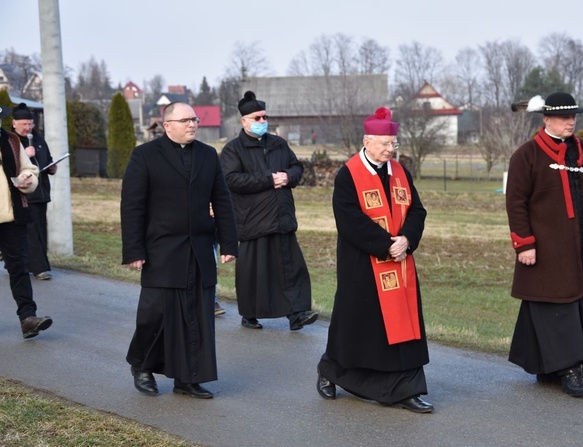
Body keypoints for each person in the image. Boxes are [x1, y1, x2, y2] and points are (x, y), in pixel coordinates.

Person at [316, 107, 432, 414]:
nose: (390, 149)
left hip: (401, 262)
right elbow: (349, 220)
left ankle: (407, 388)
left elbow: (418, 211)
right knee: (356, 328)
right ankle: (331, 371)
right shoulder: (348, 175)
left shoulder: (400, 172)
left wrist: (406, 239)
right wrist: (385, 246)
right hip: (362, 265)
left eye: (393, 143)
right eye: (384, 144)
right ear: (367, 141)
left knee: (404, 327)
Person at [121, 102, 238, 399]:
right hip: (161, 249)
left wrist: (228, 242)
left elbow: (222, 201)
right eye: (185, 120)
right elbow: (132, 206)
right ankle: (142, 366)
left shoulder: (208, 155)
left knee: (196, 315)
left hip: (199, 248)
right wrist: (134, 249)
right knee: (155, 314)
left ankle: (188, 378)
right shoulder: (145, 155)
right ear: (167, 124)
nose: (192, 124)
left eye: (195, 119)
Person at [506, 92, 583, 397]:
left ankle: (551, 367)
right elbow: (516, 203)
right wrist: (524, 244)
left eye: (573, 117)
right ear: (546, 119)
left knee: (580, 302)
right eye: (564, 117)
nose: (571, 122)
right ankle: (569, 370)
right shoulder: (526, 155)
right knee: (556, 305)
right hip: (546, 249)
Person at [220, 91, 317, 331]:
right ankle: (250, 314)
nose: (263, 122)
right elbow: (231, 180)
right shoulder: (234, 149)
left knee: (291, 269)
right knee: (255, 274)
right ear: (244, 121)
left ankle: (297, 315)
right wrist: (268, 179)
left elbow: (297, 167)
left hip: (282, 218)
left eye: (264, 117)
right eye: (257, 118)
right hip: (253, 220)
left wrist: (288, 177)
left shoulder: (278, 144)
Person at [0, 105, 52, 339]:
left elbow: (30, 169)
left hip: (13, 215)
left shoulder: (10, 140)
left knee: (19, 267)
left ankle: (28, 318)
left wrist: (26, 179)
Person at [10, 103, 56, 281]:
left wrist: (52, 168)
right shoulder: (10, 141)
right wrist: (24, 155)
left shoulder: (38, 140)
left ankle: (20, 262)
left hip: (41, 193)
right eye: (24, 124)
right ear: (14, 124)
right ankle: (40, 268)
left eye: (30, 124)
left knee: (40, 231)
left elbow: (49, 160)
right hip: (22, 193)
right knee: (30, 231)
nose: (28, 128)